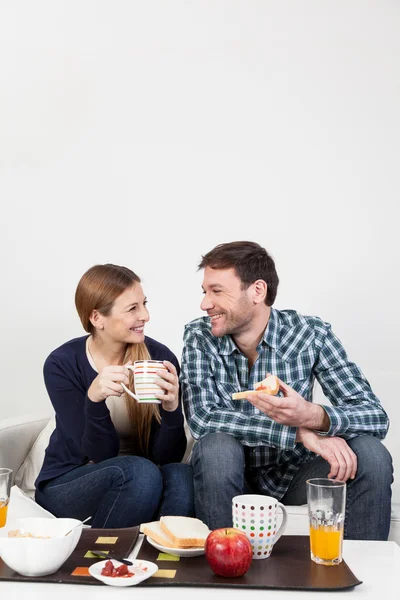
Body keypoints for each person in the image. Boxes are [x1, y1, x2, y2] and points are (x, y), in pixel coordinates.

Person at [180, 241, 393, 540]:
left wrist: (314, 415)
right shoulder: (199, 336)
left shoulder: (311, 334)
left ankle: (362, 572)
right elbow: (203, 418)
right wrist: (298, 431)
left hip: (295, 473)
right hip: (228, 473)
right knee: (216, 446)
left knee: (371, 453)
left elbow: (374, 416)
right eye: (205, 292)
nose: (205, 303)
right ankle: (224, 567)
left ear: (257, 291)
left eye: (217, 291)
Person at [35, 264, 194, 528]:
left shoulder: (159, 357)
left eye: (144, 304)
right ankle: (105, 559)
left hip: (141, 479)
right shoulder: (62, 363)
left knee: (181, 475)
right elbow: (100, 453)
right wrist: (94, 400)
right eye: (133, 308)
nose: (146, 315)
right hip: (69, 481)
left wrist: (171, 408)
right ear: (97, 318)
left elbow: (167, 458)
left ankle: (158, 562)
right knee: (139, 472)